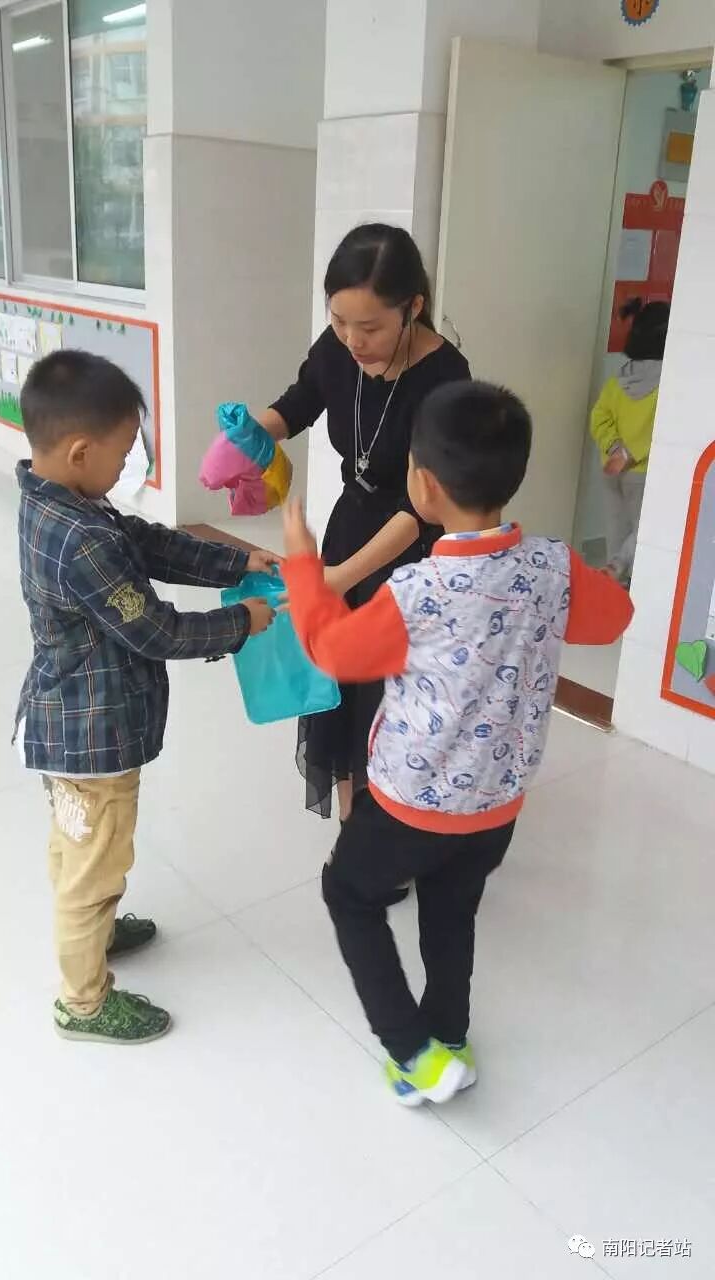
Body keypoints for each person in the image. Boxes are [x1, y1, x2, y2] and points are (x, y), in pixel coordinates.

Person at [282, 380, 633, 1106]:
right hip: (496, 807)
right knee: (451, 909)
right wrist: (571, 581)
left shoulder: (418, 592)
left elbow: (329, 650)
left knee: (349, 894)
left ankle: (414, 1052)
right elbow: (614, 618)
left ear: (424, 485)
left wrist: (302, 567)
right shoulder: (552, 566)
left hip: (410, 805)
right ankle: (449, 1034)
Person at [15, 351, 277, 1045]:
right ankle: (84, 1003)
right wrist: (241, 622)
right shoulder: (81, 539)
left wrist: (235, 559)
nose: (132, 462)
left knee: (81, 846)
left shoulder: (61, 500)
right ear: (81, 451)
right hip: (90, 735)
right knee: (93, 862)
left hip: (68, 721)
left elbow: (149, 545)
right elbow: (155, 631)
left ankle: (97, 930)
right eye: (126, 449)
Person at [255, 223, 470, 823]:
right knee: (342, 687)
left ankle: (391, 823)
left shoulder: (446, 376)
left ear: (413, 308)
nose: (352, 339)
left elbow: (422, 506)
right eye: (339, 321)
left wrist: (338, 578)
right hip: (352, 526)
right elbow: (299, 402)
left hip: (412, 549)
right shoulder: (339, 346)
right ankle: (356, 823)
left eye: (370, 327)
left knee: (388, 692)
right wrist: (248, 436)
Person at [590, 297, 670, 586]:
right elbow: (661, 428)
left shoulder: (619, 378)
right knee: (645, 530)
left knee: (616, 529)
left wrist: (615, 449)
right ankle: (620, 567)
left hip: (611, 470)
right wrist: (631, 453)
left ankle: (613, 581)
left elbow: (599, 417)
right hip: (643, 471)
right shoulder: (669, 382)